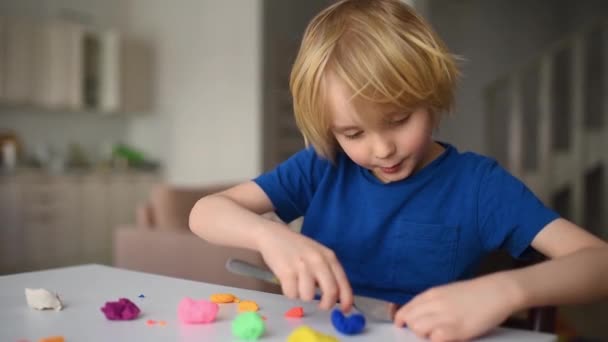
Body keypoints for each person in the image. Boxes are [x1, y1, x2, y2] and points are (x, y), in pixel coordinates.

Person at [189, 0, 608, 340]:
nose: (382, 148)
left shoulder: (479, 186)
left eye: (398, 119)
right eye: (353, 132)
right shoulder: (323, 166)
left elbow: (599, 262)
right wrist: (269, 235)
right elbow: (204, 212)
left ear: (433, 93)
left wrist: (506, 291)